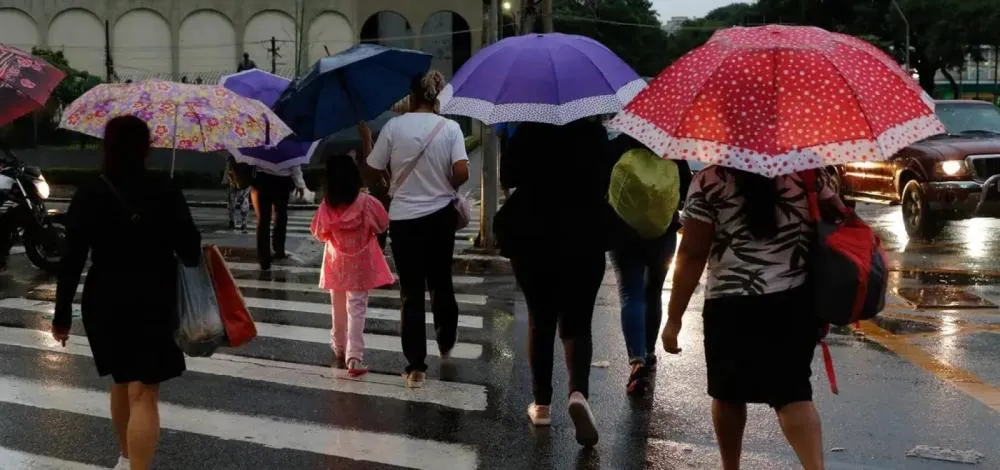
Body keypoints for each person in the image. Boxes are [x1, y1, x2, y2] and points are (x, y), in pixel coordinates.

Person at [662, 166, 840, 470]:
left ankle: (730, 467)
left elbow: (692, 252)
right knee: (792, 391)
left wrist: (674, 318)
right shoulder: (808, 174)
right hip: (794, 300)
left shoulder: (709, 180)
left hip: (730, 303)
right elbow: (838, 219)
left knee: (728, 393)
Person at [51, 115, 201, 470]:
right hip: (154, 298)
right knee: (144, 390)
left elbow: (71, 260)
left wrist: (61, 317)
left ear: (108, 146)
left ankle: (124, 457)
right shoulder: (163, 187)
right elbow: (191, 251)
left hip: (105, 300)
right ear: (146, 148)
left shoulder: (90, 191)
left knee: (121, 380)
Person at [494, 118, 615, 447]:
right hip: (585, 234)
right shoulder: (594, 134)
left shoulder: (528, 131)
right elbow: (607, 178)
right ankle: (577, 393)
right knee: (578, 323)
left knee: (541, 318)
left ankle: (542, 404)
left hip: (533, 235)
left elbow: (508, 177)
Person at [365, 70, 469, 388]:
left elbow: (372, 169)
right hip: (440, 217)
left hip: (404, 219)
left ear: (411, 96)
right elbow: (462, 171)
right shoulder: (450, 128)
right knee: (440, 280)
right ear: (436, 97)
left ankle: (415, 366)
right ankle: (446, 336)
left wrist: (386, 188)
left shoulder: (394, 127)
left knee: (411, 292)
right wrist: (444, 185)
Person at [607, 134, 691, 395]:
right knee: (654, 290)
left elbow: (604, 185)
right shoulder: (671, 145)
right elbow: (686, 191)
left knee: (631, 293)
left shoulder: (619, 144)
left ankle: (637, 359)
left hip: (622, 232)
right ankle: (650, 351)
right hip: (662, 233)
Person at [310, 153, 393, 376]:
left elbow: (318, 232)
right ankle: (354, 356)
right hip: (360, 263)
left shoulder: (326, 206)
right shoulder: (366, 203)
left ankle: (339, 347)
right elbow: (383, 224)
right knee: (357, 307)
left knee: (337, 305)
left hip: (335, 263)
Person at [251, 163, 306, 270]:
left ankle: (264, 256)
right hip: (283, 181)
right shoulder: (287, 146)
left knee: (263, 219)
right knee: (281, 215)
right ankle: (279, 249)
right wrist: (300, 184)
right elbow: (294, 164)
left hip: (262, 179)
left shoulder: (259, 146)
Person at [223, 153, 251, 233]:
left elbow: (228, 169)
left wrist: (225, 180)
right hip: (243, 183)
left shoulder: (232, 156)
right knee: (243, 202)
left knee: (233, 202)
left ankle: (234, 221)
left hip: (235, 183)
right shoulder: (249, 156)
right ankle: (243, 223)